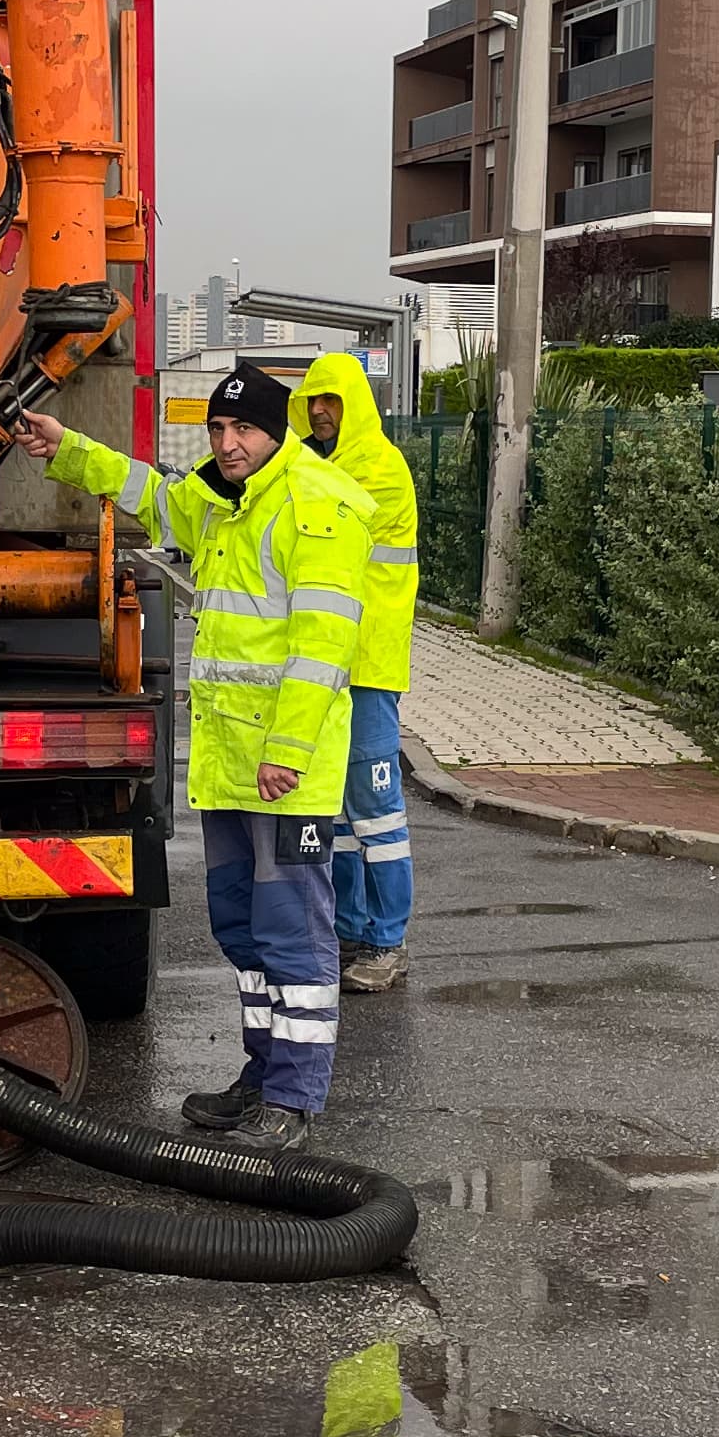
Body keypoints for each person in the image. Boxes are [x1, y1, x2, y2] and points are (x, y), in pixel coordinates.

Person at [14, 365, 369, 1148]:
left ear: (277, 432)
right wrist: (66, 446)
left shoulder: (317, 510)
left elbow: (324, 648)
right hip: (228, 763)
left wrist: (286, 753)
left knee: (293, 933)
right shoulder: (226, 502)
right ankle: (263, 1074)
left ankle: (295, 1101)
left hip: (285, 772)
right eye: (216, 429)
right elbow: (148, 490)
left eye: (242, 430)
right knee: (241, 930)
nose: (227, 443)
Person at [297, 351, 418, 991]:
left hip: (367, 663)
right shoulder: (318, 465)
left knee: (375, 809)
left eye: (332, 400)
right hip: (328, 665)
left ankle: (387, 941)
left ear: (356, 405)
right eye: (313, 400)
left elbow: (326, 530)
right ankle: (350, 931)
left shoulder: (379, 469)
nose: (319, 410)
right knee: (339, 812)